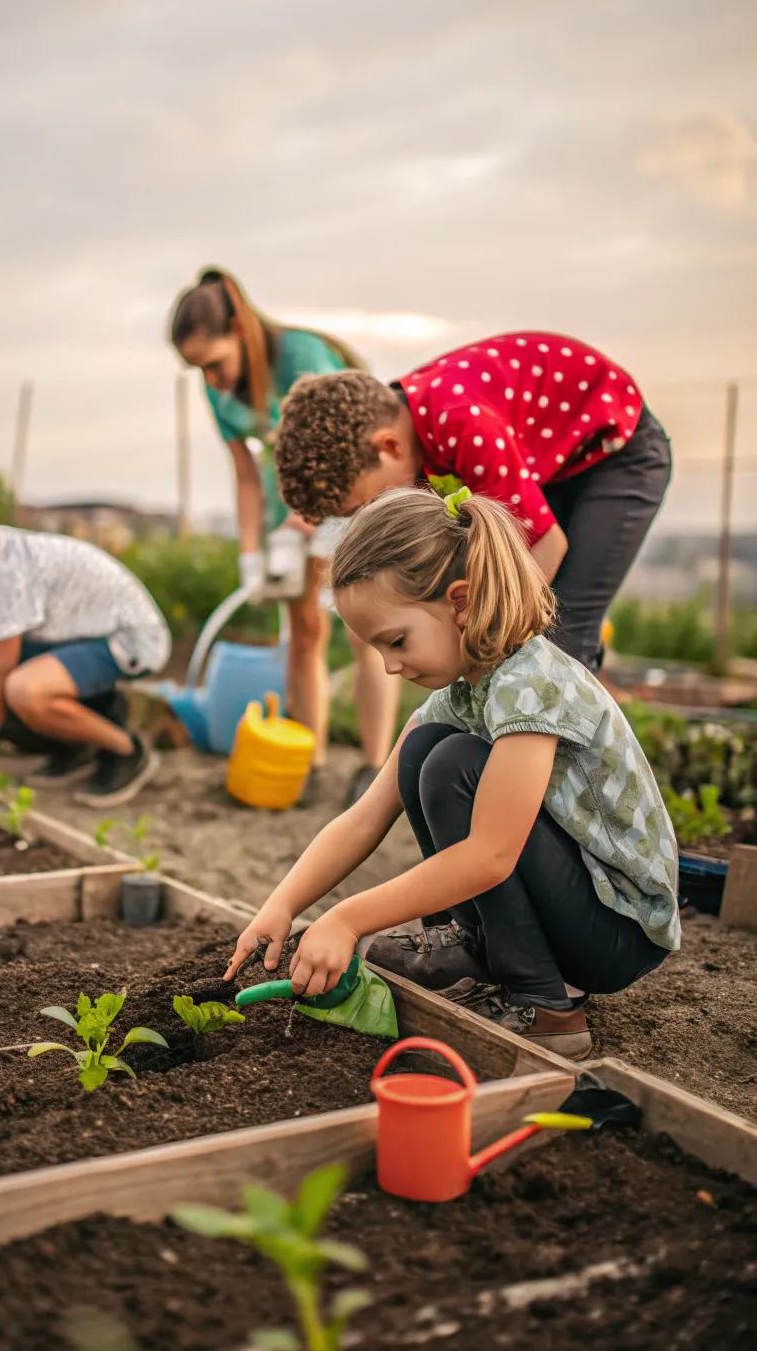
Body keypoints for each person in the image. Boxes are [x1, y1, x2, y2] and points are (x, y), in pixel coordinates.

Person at [223, 487, 679, 1060]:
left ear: (459, 602)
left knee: (451, 764)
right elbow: (365, 815)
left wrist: (348, 918)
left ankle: (545, 1007)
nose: (390, 666)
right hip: (576, 902)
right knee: (424, 752)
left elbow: (491, 855)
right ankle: (481, 945)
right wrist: (283, 906)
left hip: (617, 928)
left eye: (397, 640)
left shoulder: (530, 682)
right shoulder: (466, 688)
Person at [274, 331, 672, 671]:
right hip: (557, 462)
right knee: (518, 635)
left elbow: (545, 545)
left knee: (564, 626)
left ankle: (557, 754)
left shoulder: (460, 423)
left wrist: (481, 635)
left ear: (389, 447)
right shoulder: (396, 423)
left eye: (368, 502)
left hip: (620, 452)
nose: (374, 515)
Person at [170, 267, 399, 803]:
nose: (211, 379)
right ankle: (310, 762)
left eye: (214, 363)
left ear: (239, 330)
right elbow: (247, 474)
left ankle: (372, 767)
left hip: (349, 492)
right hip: (287, 505)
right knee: (303, 632)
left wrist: (309, 516)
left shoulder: (300, 357)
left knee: (362, 629)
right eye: (198, 370)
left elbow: (346, 441)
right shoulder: (220, 392)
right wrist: (252, 551)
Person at [0, 481, 171, 807]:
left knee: (24, 690)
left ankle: (126, 749)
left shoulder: (7, 575)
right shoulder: (1, 555)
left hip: (130, 641)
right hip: (84, 636)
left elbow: (2, 670)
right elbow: (0, 651)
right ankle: (77, 747)